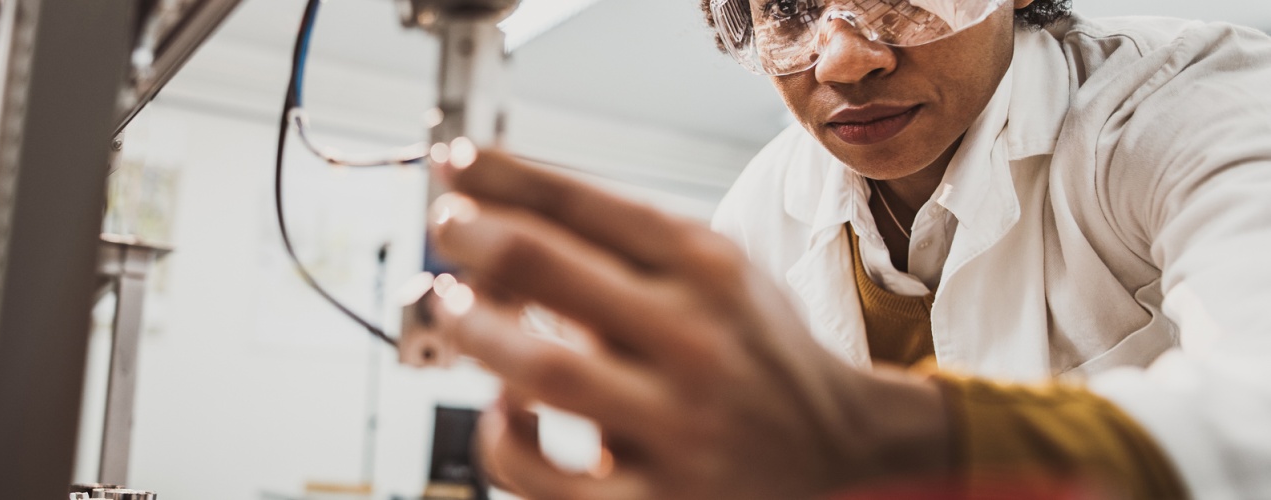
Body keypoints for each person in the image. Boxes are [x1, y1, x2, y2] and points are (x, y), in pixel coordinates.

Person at [423, 0, 1271, 497]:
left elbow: (1254, 417)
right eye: (790, 6)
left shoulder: (1186, 108)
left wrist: (874, 437)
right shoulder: (763, 208)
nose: (845, 59)